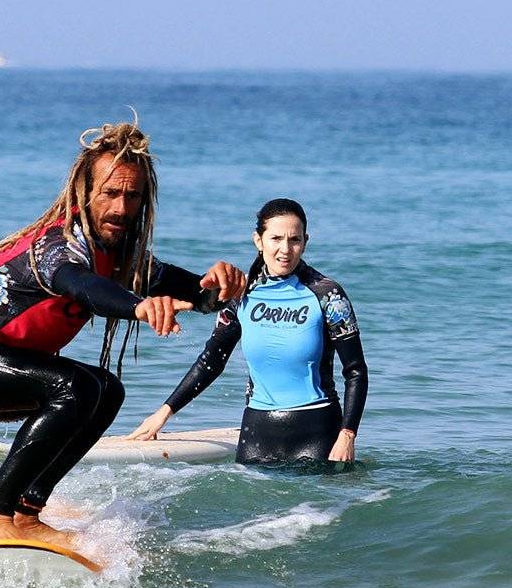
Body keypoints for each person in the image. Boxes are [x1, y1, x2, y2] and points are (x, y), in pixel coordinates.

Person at [0, 121, 246, 547]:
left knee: (105, 389)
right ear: (84, 193)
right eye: (110, 193)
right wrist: (137, 305)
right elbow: (82, 286)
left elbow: (199, 294)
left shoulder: (126, 260)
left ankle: (25, 512)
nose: (121, 207)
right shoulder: (56, 246)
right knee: (74, 386)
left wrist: (222, 284)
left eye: (131, 195)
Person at [130, 198, 368, 464]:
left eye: (295, 240)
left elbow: (355, 370)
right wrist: (163, 414)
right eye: (276, 238)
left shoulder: (327, 295)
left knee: (312, 507)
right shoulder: (242, 296)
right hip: (257, 432)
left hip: (317, 430)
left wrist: (347, 435)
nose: (285, 249)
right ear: (259, 240)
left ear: (305, 241)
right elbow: (212, 361)